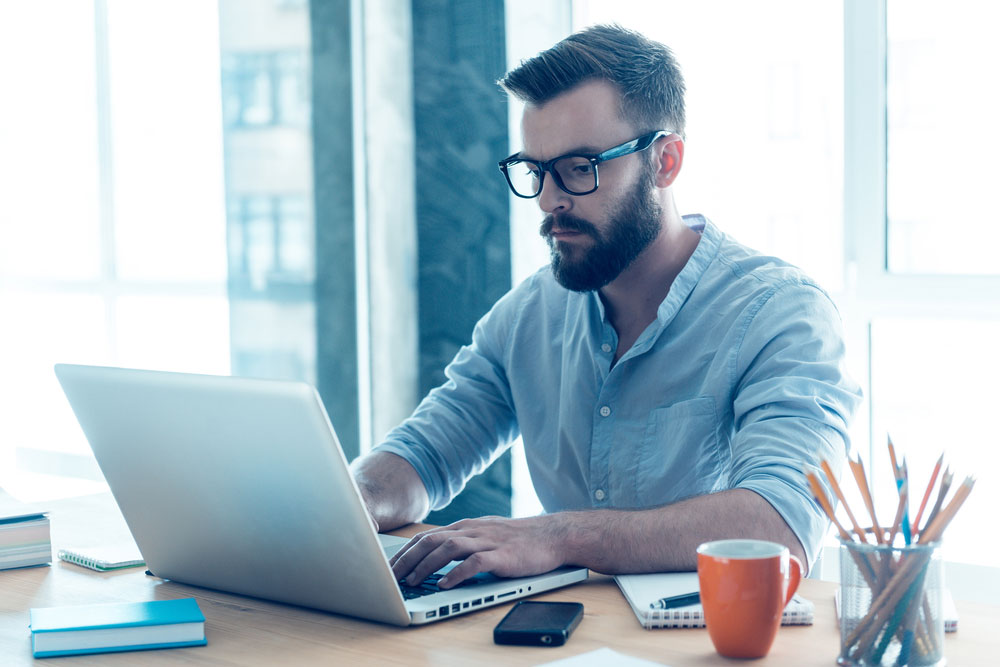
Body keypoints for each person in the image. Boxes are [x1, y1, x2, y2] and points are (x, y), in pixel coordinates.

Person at [351, 24, 862, 590]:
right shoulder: (528, 316)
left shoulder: (783, 314)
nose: (549, 200)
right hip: (566, 638)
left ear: (665, 162)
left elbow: (779, 527)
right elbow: (425, 454)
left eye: (579, 168)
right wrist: (351, 504)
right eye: (535, 171)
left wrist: (555, 536)